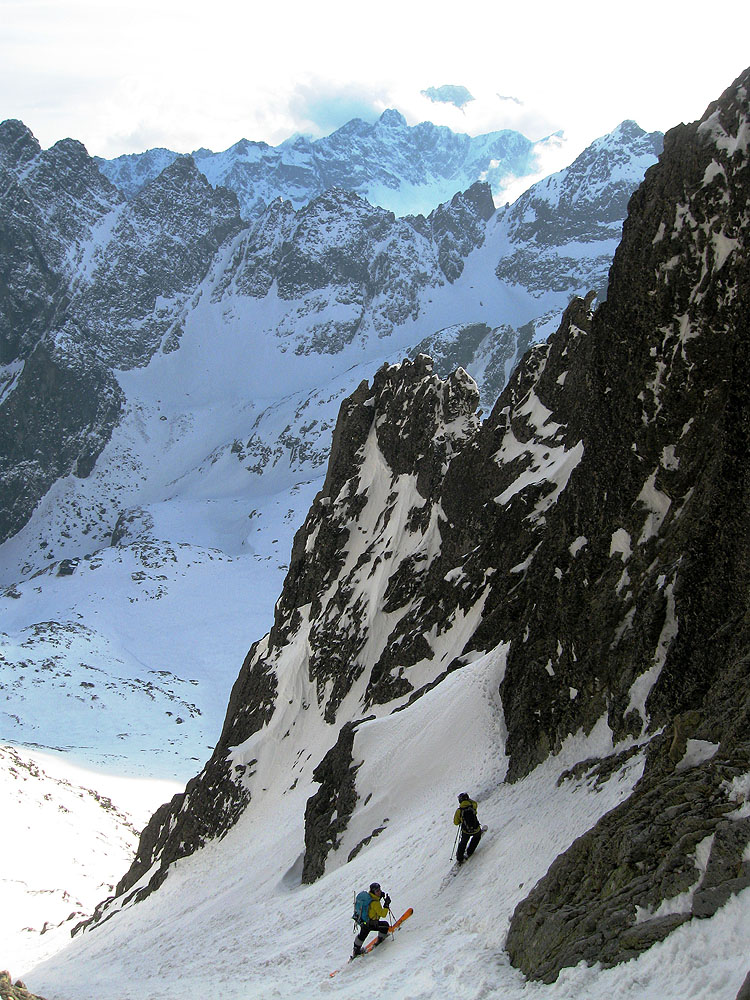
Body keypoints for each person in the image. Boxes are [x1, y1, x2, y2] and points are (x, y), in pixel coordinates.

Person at [352, 882, 391, 957]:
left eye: (379, 890)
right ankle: (381, 938)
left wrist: (379, 897)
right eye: (377, 891)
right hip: (371, 923)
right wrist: (386, 905)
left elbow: (372, 904)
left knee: (362, 935)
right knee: (385, 926)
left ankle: (356, 950)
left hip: (364, 922)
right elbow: (383, 914)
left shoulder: (369, 898)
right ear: (373, 892)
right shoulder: (375, 903)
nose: (379, 892)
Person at [453, 792, 482, 864]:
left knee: (463, 842)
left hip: (466, 831)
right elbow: (475, 803)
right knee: (477, 837)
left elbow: (456, 822)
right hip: (476, 829)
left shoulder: (459, 810)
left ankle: (459, 858)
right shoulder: (472, 805)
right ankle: (470, 851)